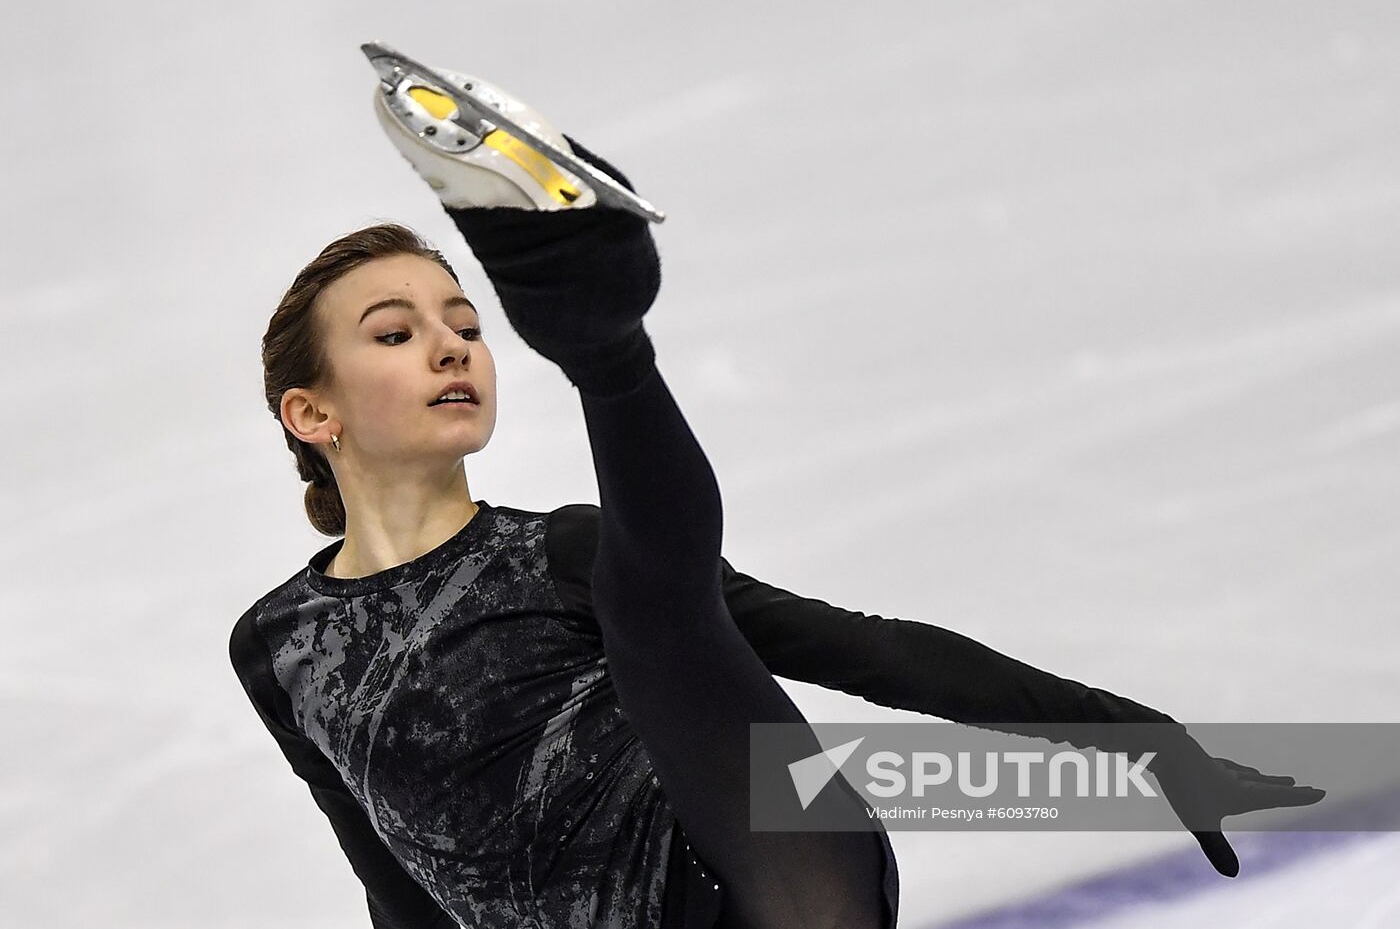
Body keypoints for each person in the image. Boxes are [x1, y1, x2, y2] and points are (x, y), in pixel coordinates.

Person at [229, 61, 1322, 929]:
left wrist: (1125, 737)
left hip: (766, 880)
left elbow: (860, 649)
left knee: (645, 595)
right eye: (396, 333)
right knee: (637, 586)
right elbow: (393, 883)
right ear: (310, 414)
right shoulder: (275, 646)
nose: (451, 349)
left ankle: (596, 324)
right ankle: (585, 302)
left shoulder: (555, 556)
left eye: (466, 324)